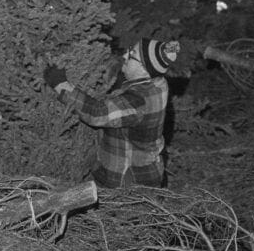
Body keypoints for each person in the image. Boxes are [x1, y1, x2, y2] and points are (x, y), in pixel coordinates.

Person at [43, 38, 179, 188]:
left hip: (128, 181)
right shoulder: (157, 84)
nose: (125, 55)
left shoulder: (139, 101)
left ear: (144, 69)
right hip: (149, 171)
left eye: (132, 55)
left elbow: (97, 113)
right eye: (129, 49)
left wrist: (62, 85)